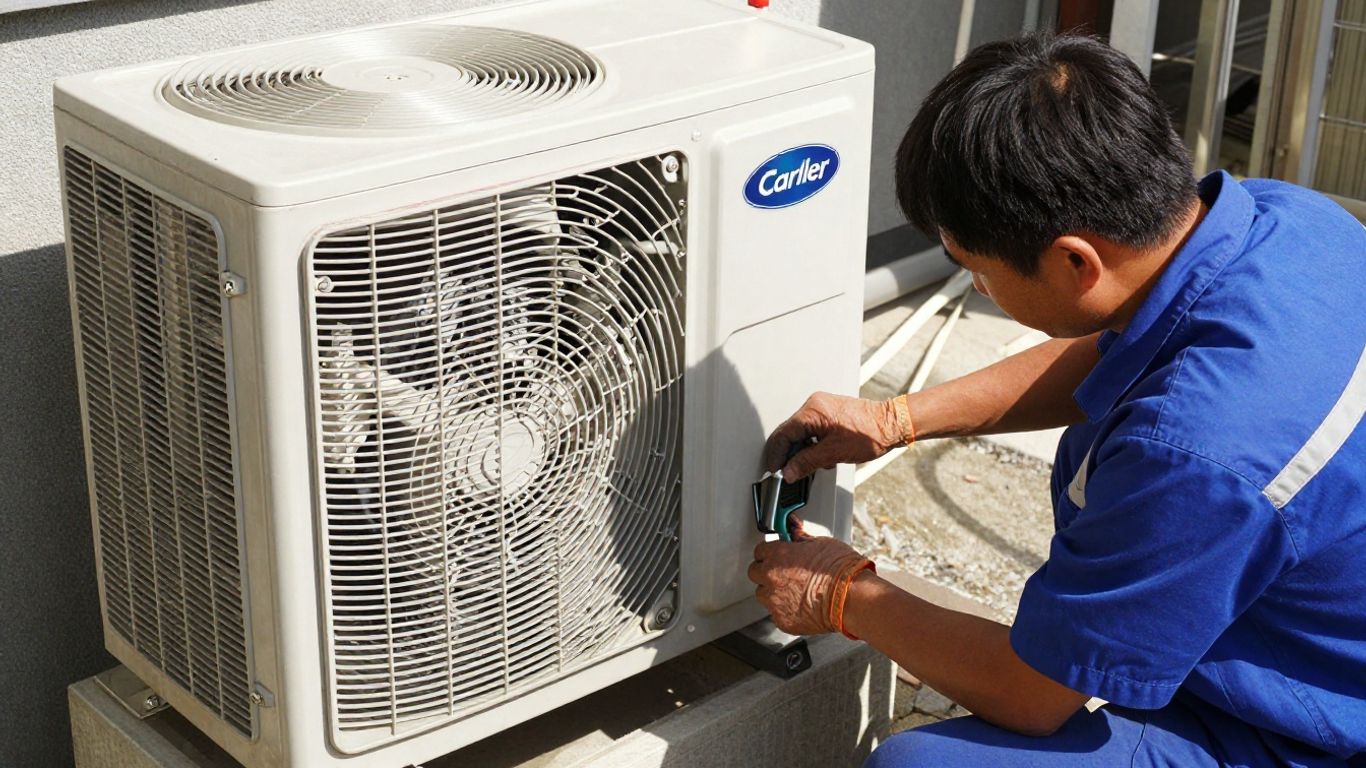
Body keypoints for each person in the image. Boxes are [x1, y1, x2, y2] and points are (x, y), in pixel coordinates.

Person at [747, 32, 1366, 768]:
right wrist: (896, 420)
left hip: (1313, 728)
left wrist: (843, 593)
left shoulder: (1198, 454)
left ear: (1076, 261)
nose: (977, 288)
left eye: (977, 269)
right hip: (1326, 643)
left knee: (918, 766)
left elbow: (1034, 695)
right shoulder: (1291, 222)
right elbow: (1122, 343)